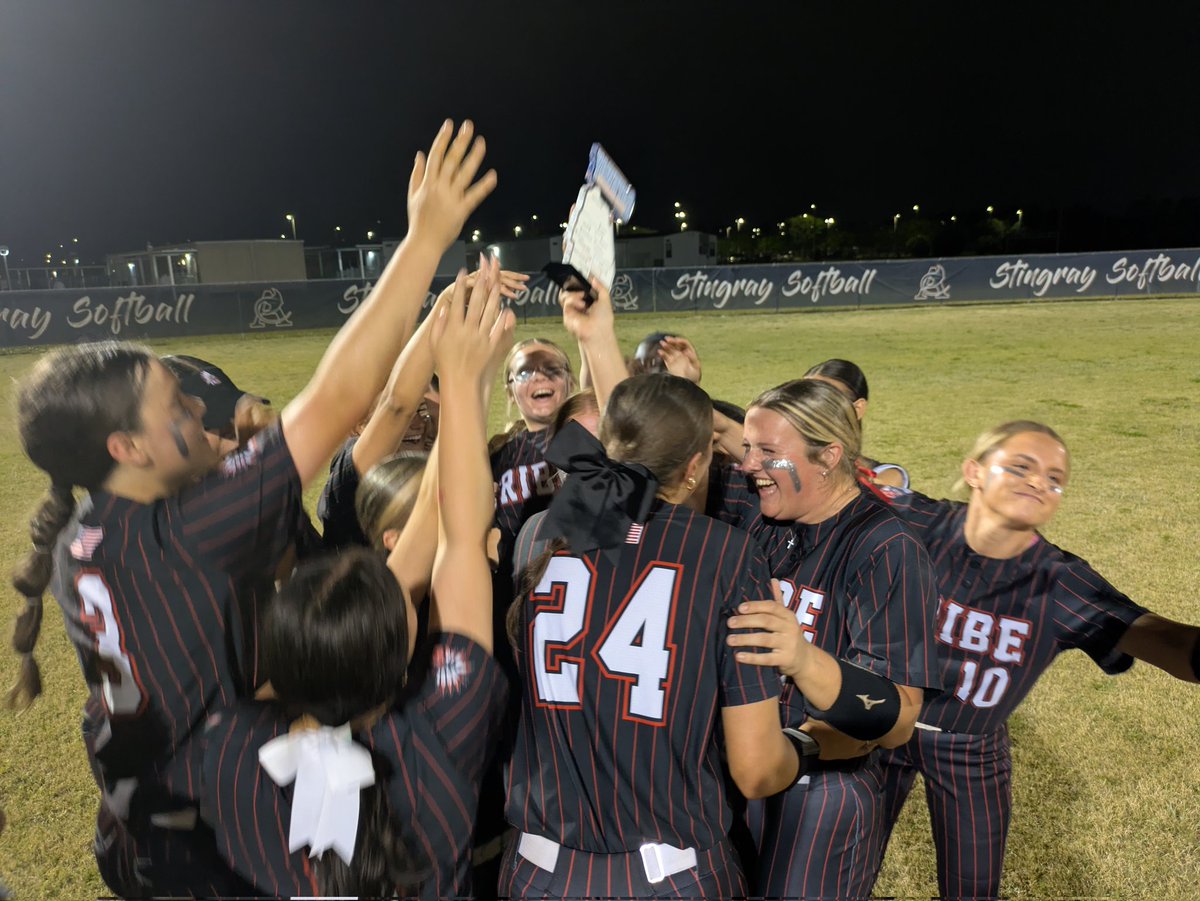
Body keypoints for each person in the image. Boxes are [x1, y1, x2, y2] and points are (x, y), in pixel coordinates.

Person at [5, 118, 497, 897]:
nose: (204, 422)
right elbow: (338, 400)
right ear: (128, 450)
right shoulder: (187, 533)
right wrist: (424, 240)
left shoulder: (80, 540)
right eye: (177, 408)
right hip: (216, 833)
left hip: (145, 817)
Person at [201, 264, 513, 899]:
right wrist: (466, 378)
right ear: (394, 653)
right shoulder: (446, 726)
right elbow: (451, 536)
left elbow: (436, 535)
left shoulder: (232, 758)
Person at [501, 372, 807, 900]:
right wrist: (806, 746)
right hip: (667, 876)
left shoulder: (537, 533)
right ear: (693, 467)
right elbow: (756, 771)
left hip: (536, 870)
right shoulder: (726, 553)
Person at [871, 420, 1200, 900]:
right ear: (974, 471)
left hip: (971, 746)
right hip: (877, 717)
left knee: (972, 887)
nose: (1039, 482)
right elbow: (835, 473)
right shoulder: (913, 523)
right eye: (1022, 467)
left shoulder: (1059, 581)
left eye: (1054, 478)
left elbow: (1157, 636)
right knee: (840, 864)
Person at [701, 376, 943, 901]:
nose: (747, 465)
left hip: (821, 790)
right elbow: (658, 444)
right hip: (741, 765)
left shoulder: (885, 548)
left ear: (829, 456)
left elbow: (899, 718)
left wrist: (802, 659)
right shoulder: (758, 507)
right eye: (746, 448)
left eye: (767, 451)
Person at [320, 268, 525, 550]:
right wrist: (446, 305)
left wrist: (484, 373)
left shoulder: (452, 497)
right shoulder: (352, 489)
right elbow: (396, 406)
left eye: (431, 417)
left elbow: (455, 431)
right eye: (416, 411)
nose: (421, 422)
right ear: (358, 426)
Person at [804, 358, 909, 489]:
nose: (810, 408)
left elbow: (886, 484)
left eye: (827, 400)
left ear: (857, 409)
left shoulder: (886, 475)